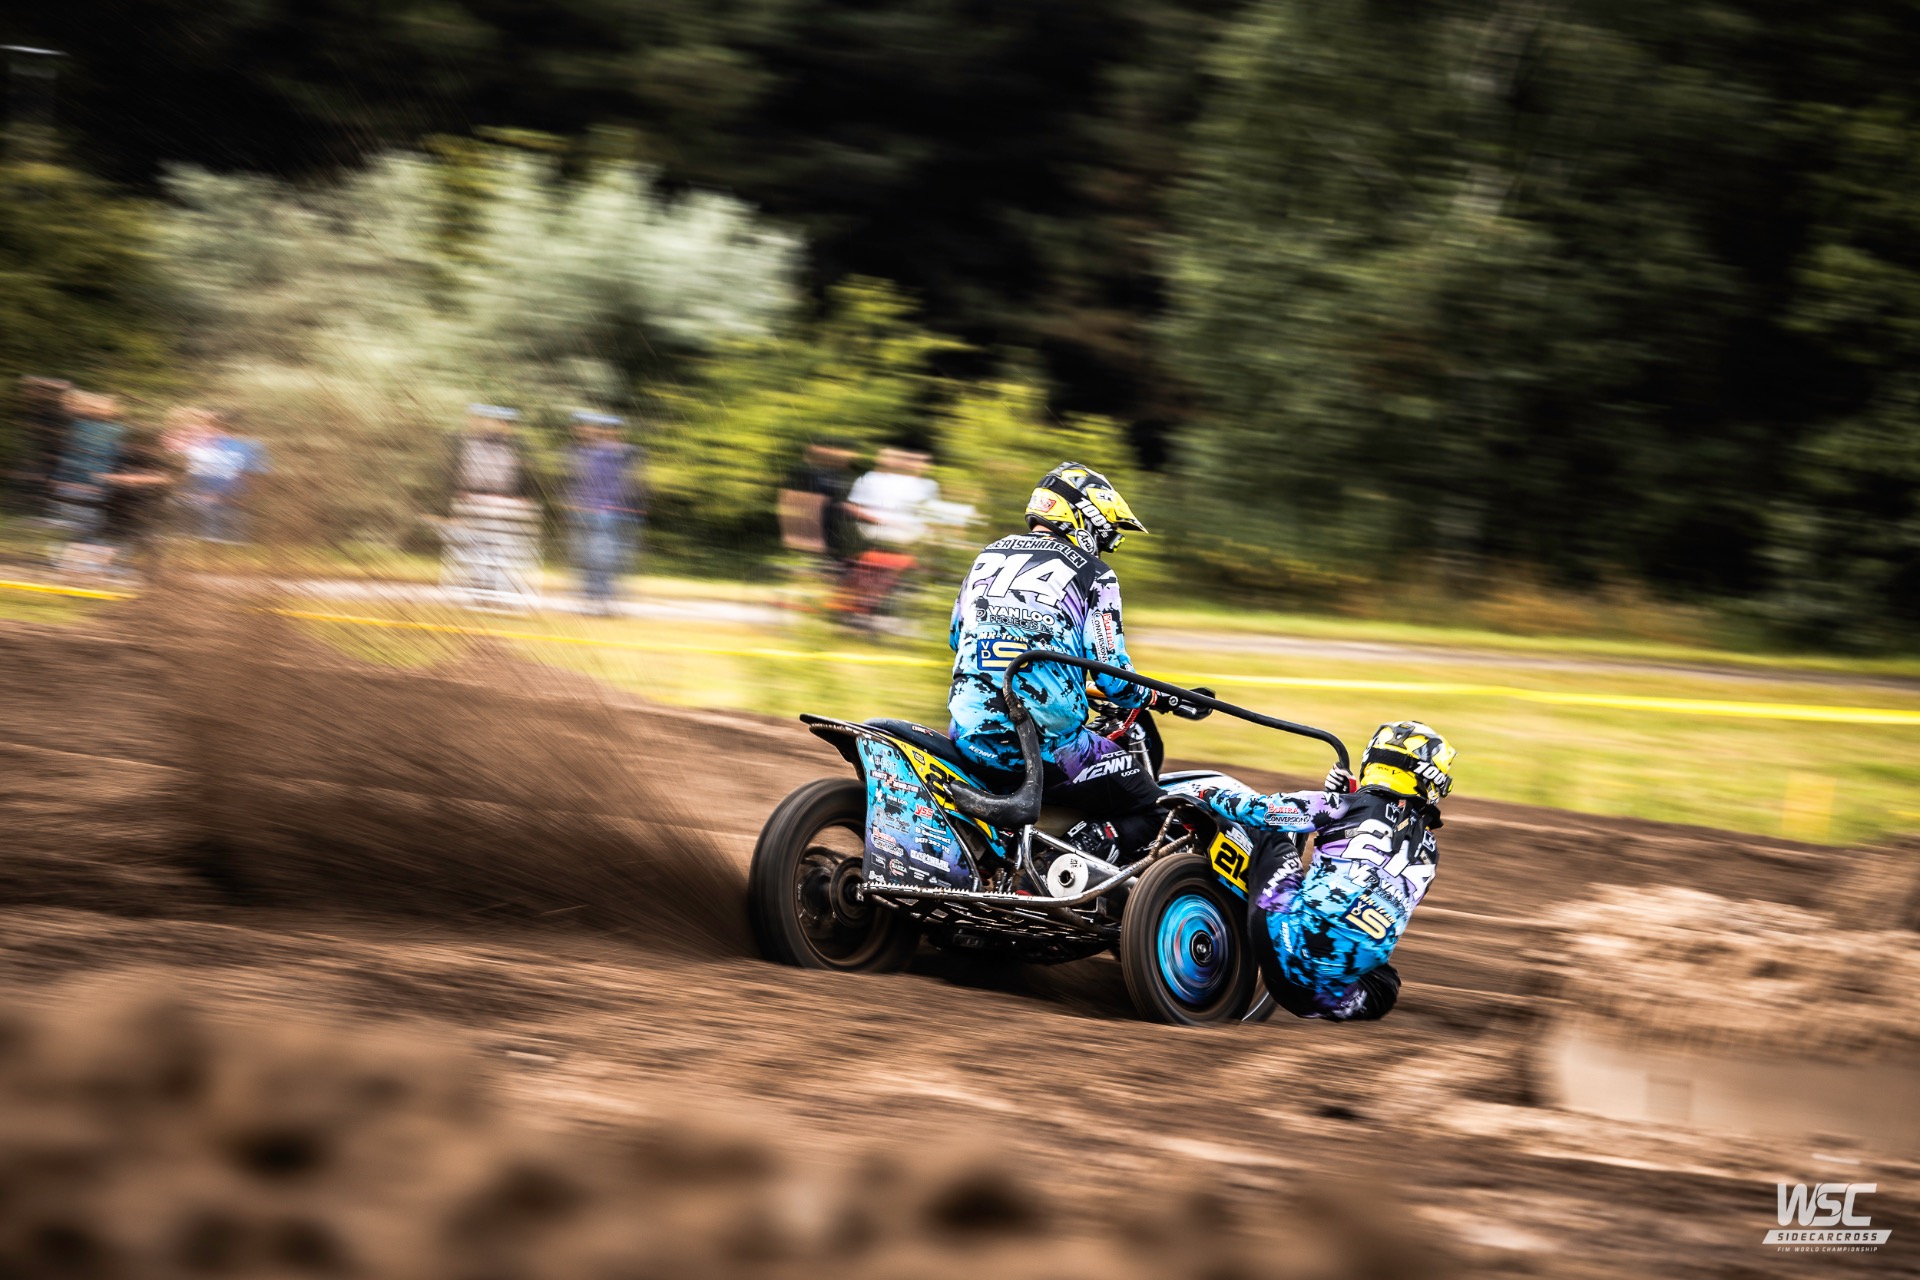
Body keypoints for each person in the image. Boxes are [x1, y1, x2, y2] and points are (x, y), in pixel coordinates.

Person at [946, 462, 1206, 861]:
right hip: (1045, 748)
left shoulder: (987, 556)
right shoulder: (1093, 574)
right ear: (1086, 519)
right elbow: (1116, 680)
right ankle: (1063, 862)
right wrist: (1162, 697)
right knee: (1160, 811)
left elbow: (956, 637)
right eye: (1106, 534)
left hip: (968, 734)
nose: (1104, 545)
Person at [1165, 721, 1457, 1023]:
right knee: (1386, 984)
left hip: (1282, 954)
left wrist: (1208, 794)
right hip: (1324, 998)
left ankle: (1218, 882)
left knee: (1271, 832)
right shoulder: (1430, 854)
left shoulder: (1344, 805)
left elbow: (1265, 810)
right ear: (1428, 779)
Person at [565, 410, 641, 615]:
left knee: (601, 558)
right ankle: (595, 600)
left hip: (605, 512)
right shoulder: (598, 453)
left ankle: (599, 600)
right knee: (595, 558)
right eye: (605, 430)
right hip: (597, 511)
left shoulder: (619, 454)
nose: (607, 434)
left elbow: (620, 484)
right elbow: (586, 482)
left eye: (611, 430)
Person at [777, 440, 862, 575]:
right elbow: (790, 498)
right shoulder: (803, 471)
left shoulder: (841, 473)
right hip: (814, 521)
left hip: (835, 524)